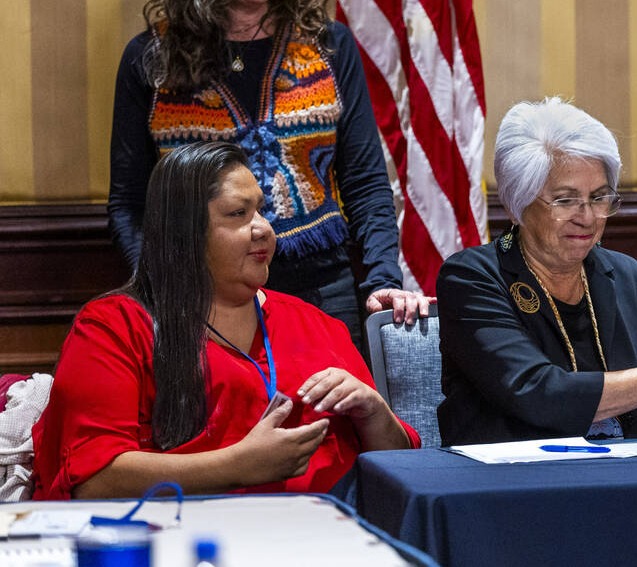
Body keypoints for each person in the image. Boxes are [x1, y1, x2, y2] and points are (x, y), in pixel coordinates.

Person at [107, 0, 426, 350]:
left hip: (325, 293)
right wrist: (155, 289)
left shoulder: (330, 47)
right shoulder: (151, 60)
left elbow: (364, 183)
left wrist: (383, 278)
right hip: (199, 299)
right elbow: (130, 202)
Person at [33, 142, 418, 500]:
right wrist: (239, 466)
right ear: (184, 232)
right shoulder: (113, 326)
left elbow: (404, 470)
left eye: (261, 210)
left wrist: (373, 411)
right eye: (238, 214)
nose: (264, 228)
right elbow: (93, 479)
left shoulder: (315, 323)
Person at [436, 98, 637, 445]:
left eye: (599, 198)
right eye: (565, 200)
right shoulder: (472, 277)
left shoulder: (626, 276)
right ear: (518, 203)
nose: (587, 217)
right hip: (513, 485)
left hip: (620, 482)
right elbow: (538, 394)